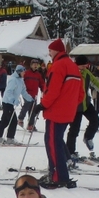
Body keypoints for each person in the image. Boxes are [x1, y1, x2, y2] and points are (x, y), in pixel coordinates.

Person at [31, 38, 84, 189]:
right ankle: (58, 173)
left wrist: (43, 105)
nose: (49, 54)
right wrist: (70, 104)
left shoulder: (58, 66)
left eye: (50, 51)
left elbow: (52, 90)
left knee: (52, 143)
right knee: (57, 142)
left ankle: (57, 176)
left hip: (56, 111)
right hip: (68, 112)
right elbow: (81, 94)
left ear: (56, 51)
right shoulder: (73, 67)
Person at [66, 56, 99, 163]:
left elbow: (95, 82)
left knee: (96, 121)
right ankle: (70, 151)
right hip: (75, 106)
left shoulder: (87, 72)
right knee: (74, 130)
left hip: (86, 104)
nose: (84, 67)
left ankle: (88, 137)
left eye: (85, 65)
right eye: (82, 65)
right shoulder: (71, 72)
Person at [0, 65, 34, 145]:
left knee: (5, 120)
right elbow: (8, 92)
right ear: (19, 72)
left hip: (11, 103)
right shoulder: (13, 80)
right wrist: (13, 100)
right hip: (7, 102)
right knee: (13, 121)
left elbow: (23, 91)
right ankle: (9, 139)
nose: (24, 73)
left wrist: (30, 99)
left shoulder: (21, 80)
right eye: (23, 71)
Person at [18, 59, 45, 128]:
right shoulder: (26, 73)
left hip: (34, 94)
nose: (35, 65)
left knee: (33, 109)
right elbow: (21, 81)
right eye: (34, 64)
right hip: (26, 93)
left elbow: (41, 84)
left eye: (36, 64)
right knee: (27, 104)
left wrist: (44, 90)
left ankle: (31, 124)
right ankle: (20, 118)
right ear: (31, 65)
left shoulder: (38, 75)